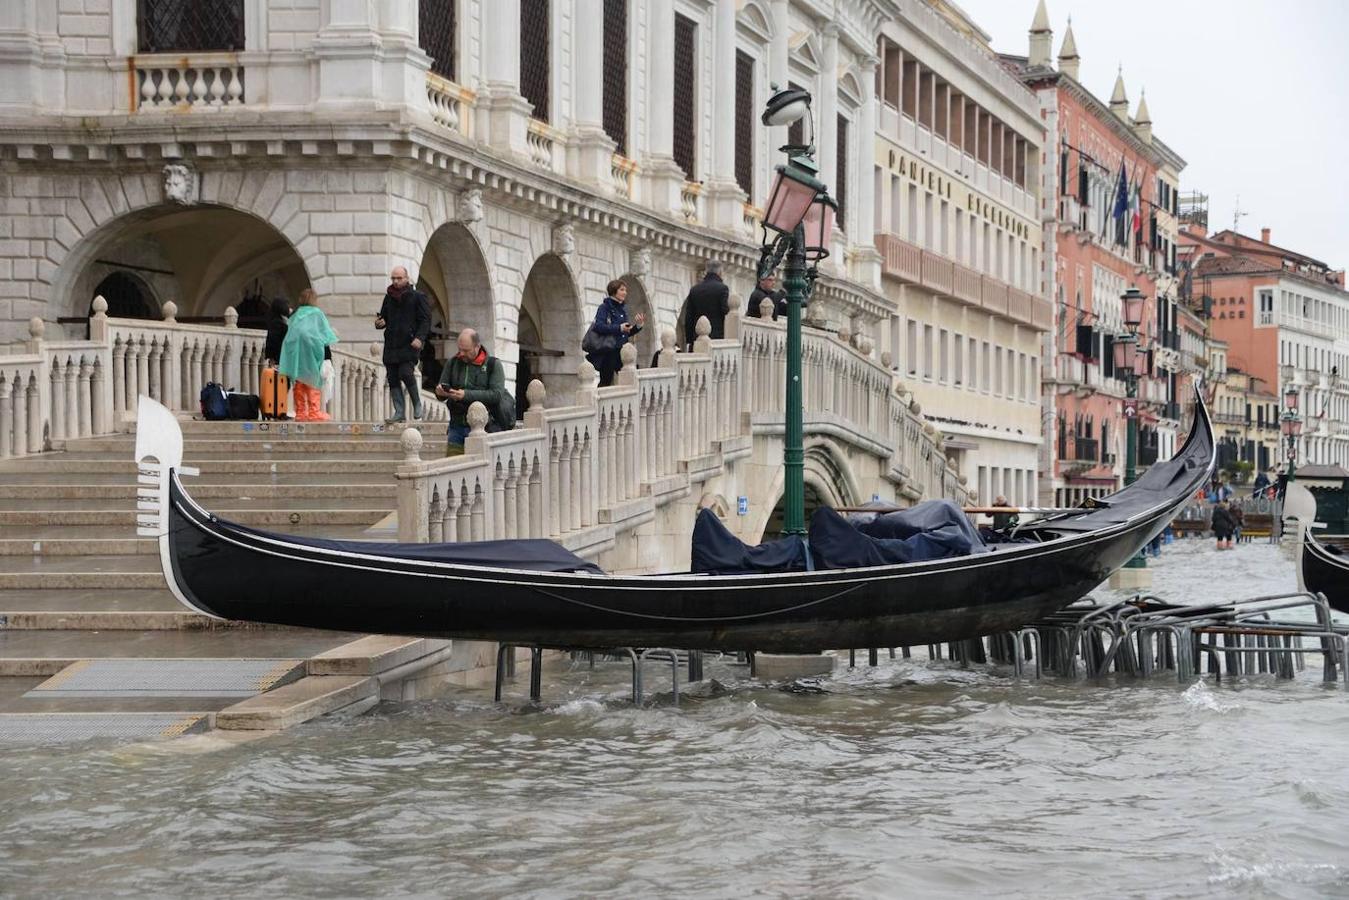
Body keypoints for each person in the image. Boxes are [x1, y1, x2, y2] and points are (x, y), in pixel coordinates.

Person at [435, 328, 506, 455]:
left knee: (480, 468)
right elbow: (442, 388)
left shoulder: (493, 364)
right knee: (454, 467)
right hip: (456, 427)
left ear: (477, 346)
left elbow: (496, 395)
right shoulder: (452, 363)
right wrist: (440, 392)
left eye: (466, 350)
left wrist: (465, 395)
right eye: (459, 349)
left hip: (484, 428)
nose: (461, 354)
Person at [375, 266, 430, 423]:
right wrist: (380, 323)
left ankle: (417, 403)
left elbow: (425, 320)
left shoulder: (418, 297)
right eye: (393, 278)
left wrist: (420, 338)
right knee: (392, 377)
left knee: (406, 372)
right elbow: (384, 318)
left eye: (399, 278)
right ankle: (399, 411)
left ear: (407, 278)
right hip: (392, 342)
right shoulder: (388, 298)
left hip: (409, 343)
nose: (396, 281)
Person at [278, 289, 338, 422]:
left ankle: (300, 412)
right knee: (313, 380)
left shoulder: (296, 314)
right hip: (312, 349)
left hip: (296, 351)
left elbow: (290, 331)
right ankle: (314, 412)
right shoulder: (317, 313)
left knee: (299, 381)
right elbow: (325, 333)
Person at [586, 279, 645, 387]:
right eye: (622, 290)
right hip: (609, 351)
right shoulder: (604, 308)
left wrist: (638, 326)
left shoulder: (623, 309)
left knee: (630, 380)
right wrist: (619, 328)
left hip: (622, 351)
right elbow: (599, 327)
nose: (625, 293)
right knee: (606, 382)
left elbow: (624, 333)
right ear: (614, 291)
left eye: (625, 290)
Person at [682, 260, 729, 349]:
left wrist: (689, 340)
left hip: (697, 339)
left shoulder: (695, 290)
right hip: (717, 339)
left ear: (706, 271)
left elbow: (689, 318)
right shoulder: (722, 289)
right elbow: (725, 312)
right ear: (720, 272)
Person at [263, 297, 290, 367]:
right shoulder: (277, 323)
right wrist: (272, 358)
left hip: (282, 356)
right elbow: (272, 341)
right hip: (278, 358)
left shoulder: (279, 320)